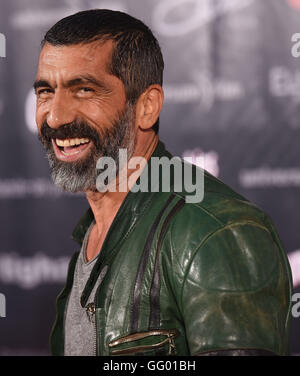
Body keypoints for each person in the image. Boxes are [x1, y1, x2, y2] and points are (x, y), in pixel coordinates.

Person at [34, 9, 292, 356]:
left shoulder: (215, 232)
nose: (56, 115)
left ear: (147, 107)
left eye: (84, 89)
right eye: (45, 91)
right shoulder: (93, 234)